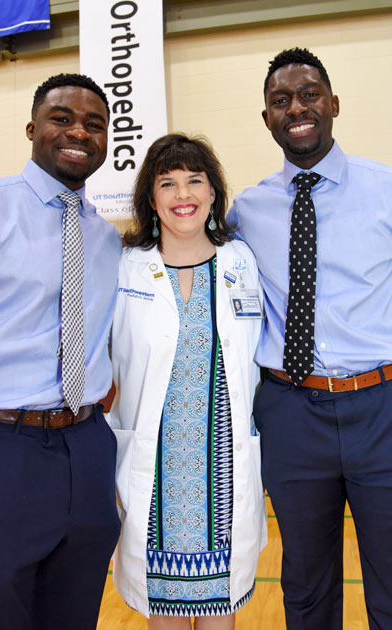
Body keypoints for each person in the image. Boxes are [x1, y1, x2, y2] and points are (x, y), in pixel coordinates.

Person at [228, 47, 392, 630]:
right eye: (281, 100)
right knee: (304, 584)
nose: (297, 107)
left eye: (309, 94)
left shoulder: (385, 189)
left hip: (381, 406)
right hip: (291, 410)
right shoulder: (245, 210)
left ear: (334, 104)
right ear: (267, 118)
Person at [0, 73, 122, 630]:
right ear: (32, 127)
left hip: (85, 449)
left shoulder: (106, 239)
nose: (78, 132)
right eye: (62, 118)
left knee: (73, 613)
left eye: (94, 124)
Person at [108, 133, 267, 629]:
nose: (183, 195)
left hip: (224, 469)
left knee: (222, 610)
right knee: (165, 616)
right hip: (157, 475)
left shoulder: (242, 261)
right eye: (168, 183)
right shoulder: (126, 268)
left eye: (195, 181)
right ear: (151, 199)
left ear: (214, 193)